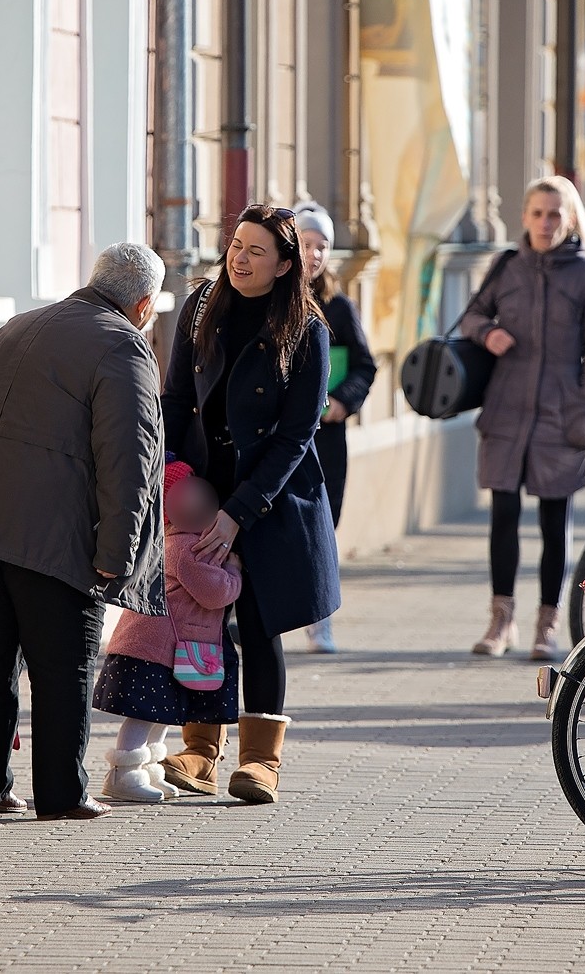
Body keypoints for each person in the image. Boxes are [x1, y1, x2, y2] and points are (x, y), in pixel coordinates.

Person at [0, 242, 168, 820]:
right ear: (145, 303)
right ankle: (62, 795)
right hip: (52, 536)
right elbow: (129, 460)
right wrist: (117, 553)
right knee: (64, 665)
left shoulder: (20, 324)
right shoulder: (124, 346)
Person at [157, 203, 341, 805]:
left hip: (266, 498)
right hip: (200, 492)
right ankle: (200, 749)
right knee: (199, 625)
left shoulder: (307, 330)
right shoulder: (201, 307)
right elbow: (177, 397)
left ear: (286, 264)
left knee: (259, 626)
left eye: (257, 250)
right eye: (236, 245)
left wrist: (238, 512)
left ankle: (261, 761)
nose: (240, 257)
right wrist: (176, 479)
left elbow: (295, 437)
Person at [461, 175, 585, 661]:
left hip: (560, 412)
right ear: (524, 217)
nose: (545, 223)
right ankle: (499, 621)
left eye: (555, 214)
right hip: (508, 408)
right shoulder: (507, 265)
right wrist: (488, 333)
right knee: (503, 516)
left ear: (569, 219)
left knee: (555, 522)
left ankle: (545, 627)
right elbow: (469, 316)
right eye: (537, 213)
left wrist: (584, 402)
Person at [93, 460, 243, 802]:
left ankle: (148, 769)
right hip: (152, 651)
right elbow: (213, 592)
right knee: (143, 715)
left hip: (160, 649)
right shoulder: (185, 549)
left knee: (161, 713)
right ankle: (123, 773)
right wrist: (234, 574)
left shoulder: (176, 543)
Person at [293, 202, 378, 654]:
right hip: (283, 436)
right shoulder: (273, 302)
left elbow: (364, 365)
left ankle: (320, 620)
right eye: (306, 244)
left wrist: (344, 400)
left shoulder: (339, 308)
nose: (314, 254)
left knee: (324, 526)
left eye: (322, 246)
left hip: (326, 438)